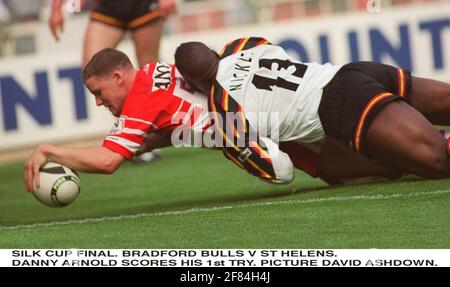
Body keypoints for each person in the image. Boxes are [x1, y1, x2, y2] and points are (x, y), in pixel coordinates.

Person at [24, 48, 405, 192]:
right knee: (335, 168)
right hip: (253, 107)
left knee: (283, 171)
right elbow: (169, 129)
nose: (99, 102)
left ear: (118, 78)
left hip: (235, 130)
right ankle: (405, 156)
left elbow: (109, 162)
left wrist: (47, 149)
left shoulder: (139, 100)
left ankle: (408, 153)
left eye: (99, 92)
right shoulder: (154, 70)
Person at [174, 37, 450, 183]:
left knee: (438, 161)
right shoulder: (244, 44)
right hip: (352, 71)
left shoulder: (224, 110)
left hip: (343, 103)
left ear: (193, 82)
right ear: (214, 51)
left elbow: (280, 172)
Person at [49, 0, 177, 163]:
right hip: (108, 6)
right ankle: (131, 135)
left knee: (148, 70)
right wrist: (56, 9)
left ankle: (144, 136)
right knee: (91, 71)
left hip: (144, 4)